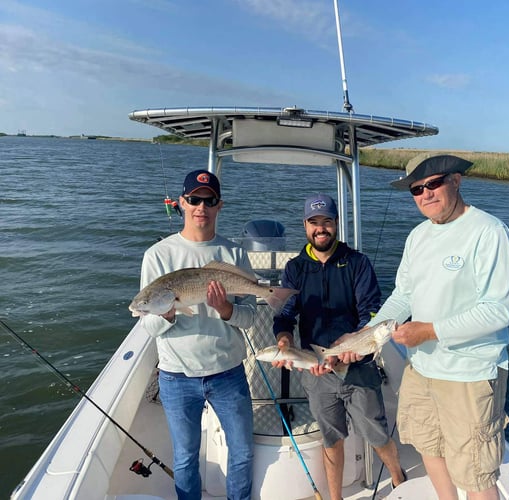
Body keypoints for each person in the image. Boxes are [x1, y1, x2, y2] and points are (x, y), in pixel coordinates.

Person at [366, 153, 509, 500]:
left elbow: (498, 310)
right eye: (416, 189)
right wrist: (367, 332)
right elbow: (402, 296)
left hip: (470, 375)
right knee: (427, 447)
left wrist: (428, 331)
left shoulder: (489, 231)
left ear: (456, 181)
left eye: (433, 183)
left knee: (476, 473)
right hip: (421, 367)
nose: (426, 194)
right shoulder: (417, 236)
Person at [272, 194, 406, 500]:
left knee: (377, 432)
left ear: (336, 225)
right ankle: (335, 498)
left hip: (358, 365)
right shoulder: (295, 268)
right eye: (314, 223)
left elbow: (372, 311)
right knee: (330, 438)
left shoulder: (357, 263)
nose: (321, 229)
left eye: (327, 222)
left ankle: (398, 477)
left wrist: (355, 343)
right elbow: (285, 314)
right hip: (318, 369)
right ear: (305, 226)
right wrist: (284, 339)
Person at [138, 169, 255, 500]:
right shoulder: (158, 255)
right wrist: (169, 313)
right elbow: (147, 324)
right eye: (193, 199)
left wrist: (227, 310)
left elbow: (249, 320)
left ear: (219, 206)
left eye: (209, 200)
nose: (200, 206)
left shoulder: (234, 255)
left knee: (243, 453)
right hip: (177, 377)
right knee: (186, 459)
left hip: (228, 372)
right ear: (181, 203)